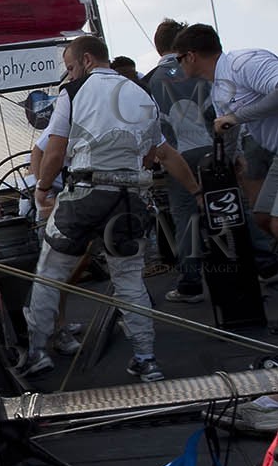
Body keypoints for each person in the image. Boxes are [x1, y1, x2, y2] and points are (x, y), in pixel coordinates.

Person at [19, 34, 204, 382]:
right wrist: (195, 190)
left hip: (85, 196)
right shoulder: (141, 94)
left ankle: (37, 354)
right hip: (130, 200)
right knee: (130, 278)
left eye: (70, 67)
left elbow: (55, 151)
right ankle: (146, 359)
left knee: (49, 273)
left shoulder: (72, 93)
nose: (69, 75)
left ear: (87, 60)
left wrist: (42, 190)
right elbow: (162, 154)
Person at [173, 24, 278, 246]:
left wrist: (237, 117)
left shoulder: (244, 63)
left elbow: (233, 120)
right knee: (263, 217)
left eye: (178, 59)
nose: (178, 66)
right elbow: (228, 133)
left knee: (276, 222)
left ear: (190, 56)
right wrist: (224, 164)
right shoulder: (219, 89)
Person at [145, 17, 213, 303]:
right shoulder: (198, 70)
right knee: (230, 209)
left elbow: (151, 128)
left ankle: (190, 284)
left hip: (178, 158)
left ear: (158, 46)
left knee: (186, 220)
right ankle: (263, 264)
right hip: (213, 151)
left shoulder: (150, 81)